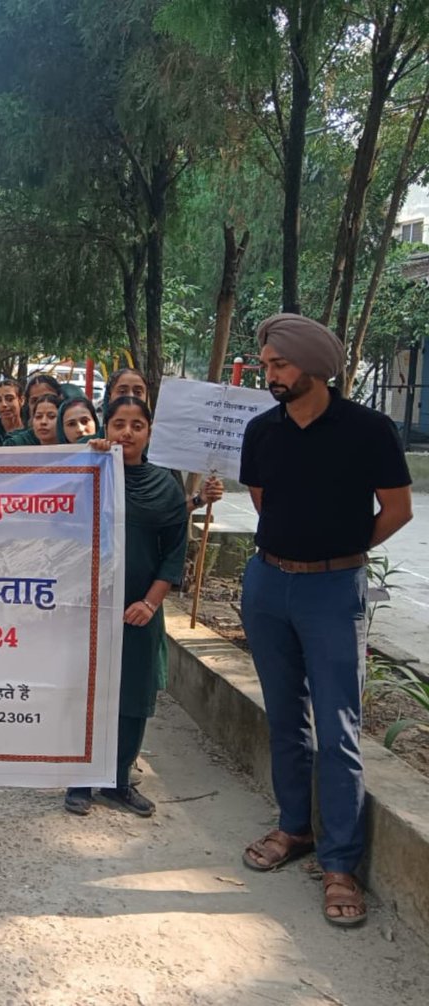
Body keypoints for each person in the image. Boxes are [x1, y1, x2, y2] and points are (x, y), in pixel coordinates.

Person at [238, 314, 412, 928]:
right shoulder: (261, 430)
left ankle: (340, 862)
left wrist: (343, 548)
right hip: (266, 584)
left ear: (314, 365)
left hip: (334, 589)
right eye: (266, 365)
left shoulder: (369, 430)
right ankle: (295, 829)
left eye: (278, 365)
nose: (270, 375)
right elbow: (264, 499)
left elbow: (397, 509)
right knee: (286, 718)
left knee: (338, 727)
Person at [65, 396, 187, 819]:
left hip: (138, 610)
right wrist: (87, 458)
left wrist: (150, 604)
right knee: (87, 691)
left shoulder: (165, 486)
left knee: (134, 694)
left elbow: (174, 552)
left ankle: (116, 780)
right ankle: (80, 780)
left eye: (137, 425)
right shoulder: (88, 474)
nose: (127, 433)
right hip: (87, 605)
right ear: (106, 427)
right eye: (119, 424)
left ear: (148, 432)